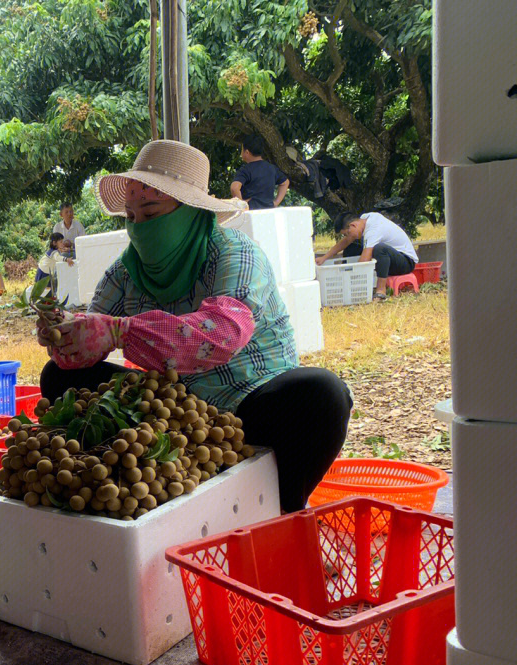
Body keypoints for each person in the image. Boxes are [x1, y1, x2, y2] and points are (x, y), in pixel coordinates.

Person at [38, 140, 352, 513]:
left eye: (151, 212)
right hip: (169, 414)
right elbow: (93, 329)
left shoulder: (235, 252)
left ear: (189, 211)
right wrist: (67, 334)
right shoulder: (125, 271)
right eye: (132, 217)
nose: (140, 228)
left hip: (250, 405)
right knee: (58, 377)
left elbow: (221, 333)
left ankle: (285, 509)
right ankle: (131, 481)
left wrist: (120, 331)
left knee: (322, 394)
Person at [315, 211, 419, 300]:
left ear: (353, 225)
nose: (348, 236)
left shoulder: (373, 231)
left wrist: (350, 281)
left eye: (347, 233)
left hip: (406, 262)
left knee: (379, 249)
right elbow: (346, 241)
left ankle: (381, 291)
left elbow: (364, 261)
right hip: (391, 259)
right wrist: (324, 258)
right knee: (352, 248)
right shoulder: (365, 218)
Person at [230, 134, 290, 210]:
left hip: (251, 212)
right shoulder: (271, 168)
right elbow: (285, 182)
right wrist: (275, 203)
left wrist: (242, 205)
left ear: (247, 152)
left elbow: (234, 188)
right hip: (268, 212)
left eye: (242, 149)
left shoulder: (246, 170)